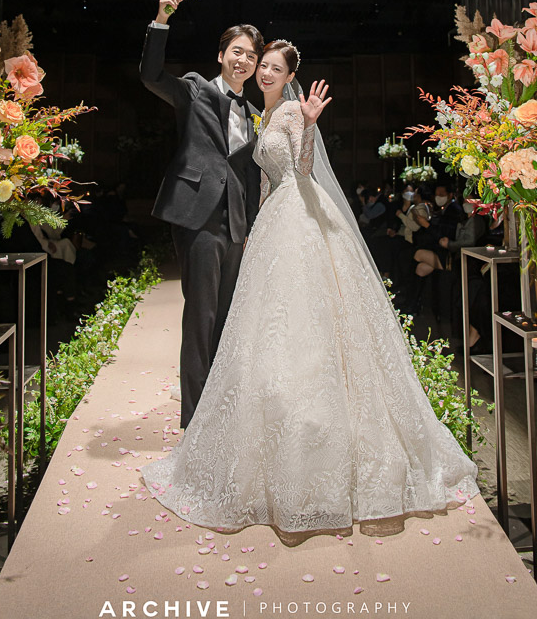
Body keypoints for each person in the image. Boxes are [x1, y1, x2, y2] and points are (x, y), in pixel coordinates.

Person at [141, 39, 479, 543]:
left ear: (288, 76)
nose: (265, 73)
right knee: (265, 322)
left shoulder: (292, 112)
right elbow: (260, 179)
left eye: (274, 68)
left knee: (308, 316)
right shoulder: (260, 114)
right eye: (263, 65)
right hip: (270, 220)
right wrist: (251, 223)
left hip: (299, 216)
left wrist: (312, 122)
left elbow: (301, 170)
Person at [139, 0, 264, 428]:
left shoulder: (253, 112)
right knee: (201, 316)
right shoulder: (195, 89)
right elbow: (151, 75)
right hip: (198, 216)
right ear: (221, 55)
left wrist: (250, 225)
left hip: (235, 223)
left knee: (227, 318)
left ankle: (218, 412)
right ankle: (194, 422)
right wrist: (161, 20)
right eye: (237, 52)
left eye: (251, 56)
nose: (243, 61)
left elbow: (249, 174)